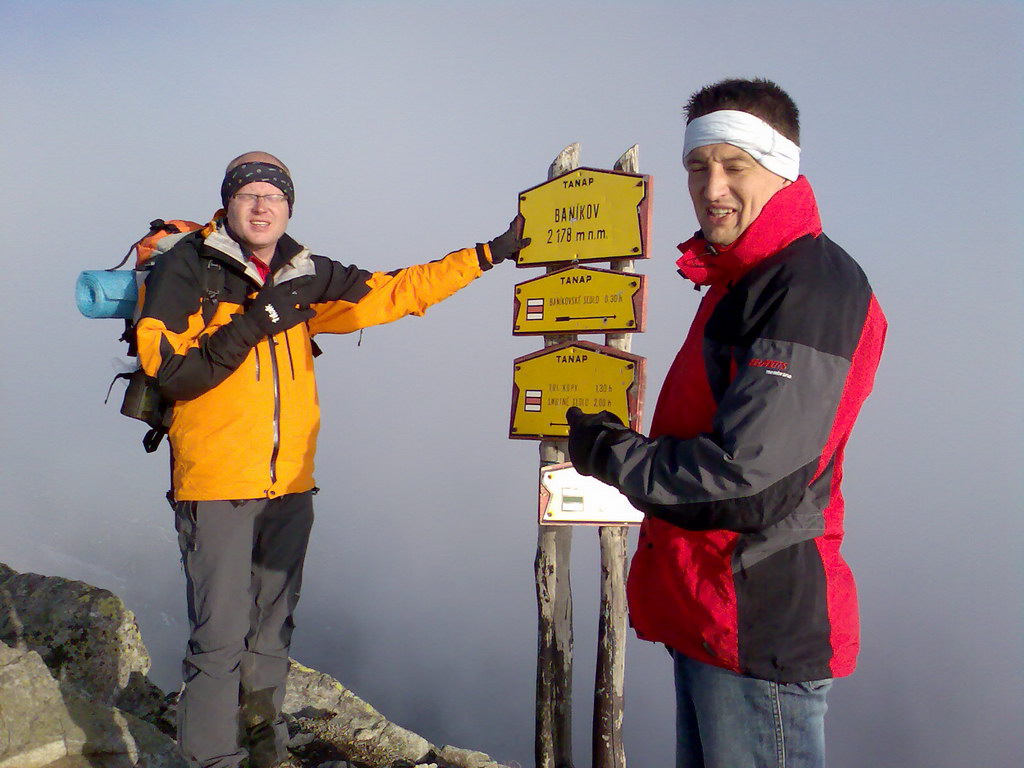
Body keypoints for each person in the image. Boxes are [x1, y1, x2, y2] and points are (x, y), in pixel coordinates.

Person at [134, 151, 527, 768]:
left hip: (291, 484)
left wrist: (489, 253)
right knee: (218, 638)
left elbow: (398, 290)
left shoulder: (303, 272)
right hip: (215, 485)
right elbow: (174, 373)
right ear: (228, 203)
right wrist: (258, 321)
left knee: (271, 630)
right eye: (248, 195)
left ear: (289, 207)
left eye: (273, 196)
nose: (261, 206)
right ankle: (211, 760)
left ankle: (266, 751)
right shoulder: (187, 269)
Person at [566, 79, 887, 767]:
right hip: (714, 613)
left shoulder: (807, 289)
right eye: (696, 166)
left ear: (782, 166)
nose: (712, 187)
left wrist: (610, 454)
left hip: (756, 626)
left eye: (734, 165)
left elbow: (747, 485)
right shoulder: (746, 279)